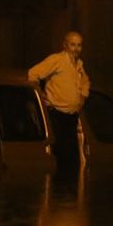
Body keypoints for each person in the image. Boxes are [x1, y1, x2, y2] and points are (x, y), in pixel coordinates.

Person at [29, 31, 90, 174]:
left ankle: (69, 191)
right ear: (65, 45)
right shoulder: (57, 60)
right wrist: (40, 95)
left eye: (79, 45)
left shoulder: (78, 65)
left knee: (72, 156)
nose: (76, 48)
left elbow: (85, 82)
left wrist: (82, 97)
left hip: (72, 116)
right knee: (62, 155)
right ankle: (59, 190)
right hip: (57, 114)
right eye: (72, 44)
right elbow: (33, 73)